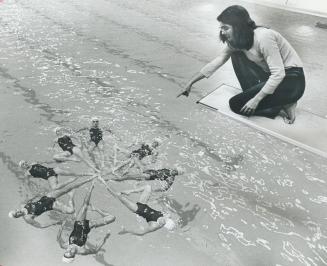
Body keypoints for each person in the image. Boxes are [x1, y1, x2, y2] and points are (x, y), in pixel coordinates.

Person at [178, 5, 305, 124]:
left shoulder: (264, 37)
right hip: (272, 77)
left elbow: (278, 73)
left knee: (236, 104)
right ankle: (276, 101)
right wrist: (190, 82)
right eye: (221, 28)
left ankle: (288, 102)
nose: (222, 33)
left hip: (292, 81)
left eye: (225, 28)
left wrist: (255, 100)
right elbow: (218, 60)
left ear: (238, 26)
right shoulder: (238, 42)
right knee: (236, 54)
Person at [58, 180, 115, 263]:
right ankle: (95, 209)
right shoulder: (82, 251)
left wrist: (61, 226)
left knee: (85, 205)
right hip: (89, 226)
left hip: (79, 222)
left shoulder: (64, 245)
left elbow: (58, 238)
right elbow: (95, 250)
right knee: (112, 218)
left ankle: (91, 186)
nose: (69, 250)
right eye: (70, 253)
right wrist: (105, 238)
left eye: (67, 252)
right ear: (74, 255)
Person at [8, 176, 96, 228]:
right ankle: (71, 196)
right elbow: (41, 226)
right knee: (71, 211)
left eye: (16, 211)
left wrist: (38, 194)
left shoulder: (22, 205)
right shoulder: (28, 218)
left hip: (47, 198)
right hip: (52, 206)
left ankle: (89, 179)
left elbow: (31, 198)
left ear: (16, 209)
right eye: (17, 215)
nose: (18, 212)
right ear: (17, 217)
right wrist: (54, 223)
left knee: (67, 188)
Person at [98, 180, 176, 236]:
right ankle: (130, 191)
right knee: (148, 187)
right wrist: (159, 201)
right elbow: (164, 207)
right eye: (165, 220)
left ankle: (104, 183)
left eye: (164, 224)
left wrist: (127, 231)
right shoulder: (167, 216)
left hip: (137, 209)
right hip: (144, 204)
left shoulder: (154, 226)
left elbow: (141, 233)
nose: (163, 222)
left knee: (119, 196)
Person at [19, 160, 94, 190]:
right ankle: (71, 180)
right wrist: (29, 187)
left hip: (53, 170)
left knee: (73, 173)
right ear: (23, 167)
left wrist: (54, 161)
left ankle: (89, 174)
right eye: (23, 164)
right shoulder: (27, 173)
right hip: (49, 177)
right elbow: (27, 182)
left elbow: (45, 162)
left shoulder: (34, 163)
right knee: (54, 188)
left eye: (25, 162)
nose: (25, 164)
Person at [113, 167, 184, 192]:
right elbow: (158, 171)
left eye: (176, 172)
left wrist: (155, 191)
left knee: (129, 176)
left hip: (149, 176)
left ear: (177, 174)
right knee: (133, 178)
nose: (175, 171)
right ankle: (119, 179)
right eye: (176, 170)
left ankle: (115, 179)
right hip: (150, 172)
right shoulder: (169, 169)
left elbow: (166, 188)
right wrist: (148, 170)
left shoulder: (171, 178)